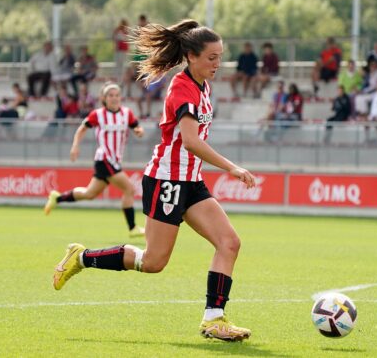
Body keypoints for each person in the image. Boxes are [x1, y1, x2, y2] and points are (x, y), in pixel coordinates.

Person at [49, 19, 255, 342]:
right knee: (153, 262)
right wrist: (231, 167)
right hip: (166, 181)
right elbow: (189, 140)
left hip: (191, 181)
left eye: (220, 56)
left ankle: (214, 319)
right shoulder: (182, 87)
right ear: (191, 56)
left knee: (229, 242)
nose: (218, 64)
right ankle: (82, 257)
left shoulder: (204, 86)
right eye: (212, 57)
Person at [44, 83, 146, 237]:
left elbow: (137, 127)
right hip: (104, 158)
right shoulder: (98, 114)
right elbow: (82, 129)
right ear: (104, 99)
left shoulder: (127, 113)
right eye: (110, 95)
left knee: (89, 194)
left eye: (117, 95)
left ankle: (57, 197)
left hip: (114, 161)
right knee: (129, 189)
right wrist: (75, 146)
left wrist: (139, 131)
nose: (114, 98)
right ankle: (132, 228)